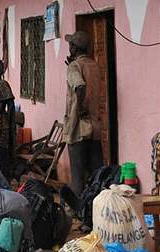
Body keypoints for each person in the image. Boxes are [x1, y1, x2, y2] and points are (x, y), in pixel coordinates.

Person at [64, 31, 103, 196]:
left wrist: (79, 108)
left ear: (74, 48)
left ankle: (78, 211)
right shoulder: (93, 65)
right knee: (96, 175)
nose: (69, 47)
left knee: (78, 176)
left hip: (78, 129)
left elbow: (79, 86)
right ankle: (95, 209)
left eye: (70, 44)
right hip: (94, 128)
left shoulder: (74, 67)